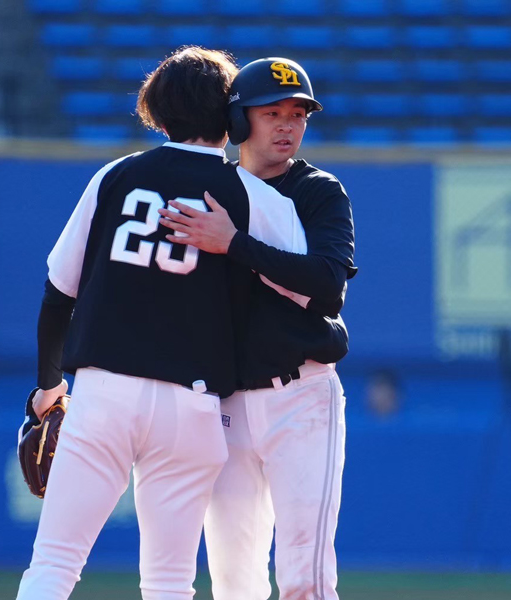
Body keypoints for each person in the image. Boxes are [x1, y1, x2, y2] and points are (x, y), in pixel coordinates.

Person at [16, 47, 310, 600]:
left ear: (158, 111)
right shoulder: (249, 193)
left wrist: (48, 384)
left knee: (53, 565)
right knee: (170, 583)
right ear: (234, 117)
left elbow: (59, 292)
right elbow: (306, 280)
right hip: (193, 404)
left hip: (105, 392)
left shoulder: (116, 175)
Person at [159, 58, 356, 600]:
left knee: (305, 576)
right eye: (272, 112)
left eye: (299, 114)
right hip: (227, 406)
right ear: (240, 121)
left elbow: (326, 286)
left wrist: (235, 244)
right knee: (234, 581)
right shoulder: (208, 189)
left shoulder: (319, 191)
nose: (288, 124)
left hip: (303, 396)